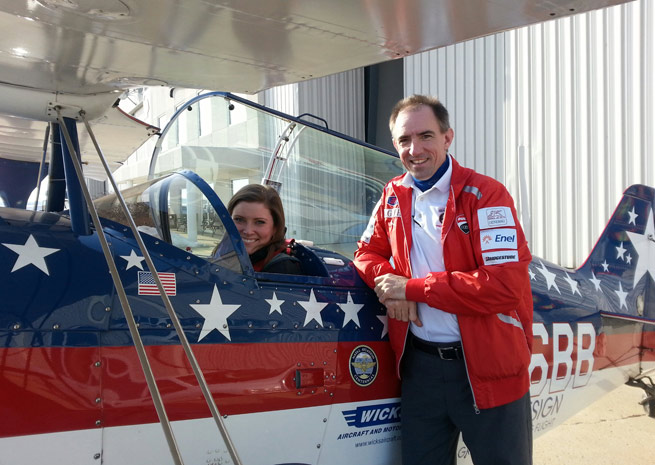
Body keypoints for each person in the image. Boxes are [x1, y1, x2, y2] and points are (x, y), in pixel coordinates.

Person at [354, 95, 533, 465]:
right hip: (422, 371)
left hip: (489, 369)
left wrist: (413, 288)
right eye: (404, 140)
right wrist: (389, 280)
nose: (415, 149)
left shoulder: (487, 195)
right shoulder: (392, 195)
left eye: (426, 136)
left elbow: (502, 288)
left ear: (448, 137)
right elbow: (365, 253)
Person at [219, 184, 302, 275]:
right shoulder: (226, 253)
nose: (248, 231)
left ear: (275, 227)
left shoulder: (282, 268)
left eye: (260, 222)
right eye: (239, 219)